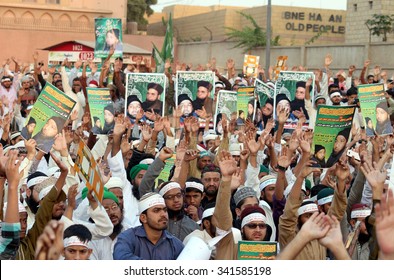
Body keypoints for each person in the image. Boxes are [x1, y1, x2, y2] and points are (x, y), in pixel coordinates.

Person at [113, 192, 184, 260]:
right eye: (156, 210)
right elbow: (121, 258)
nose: (163, 214)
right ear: (143, 218)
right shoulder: (128, 238)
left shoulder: (175, 244)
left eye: (165, 210)